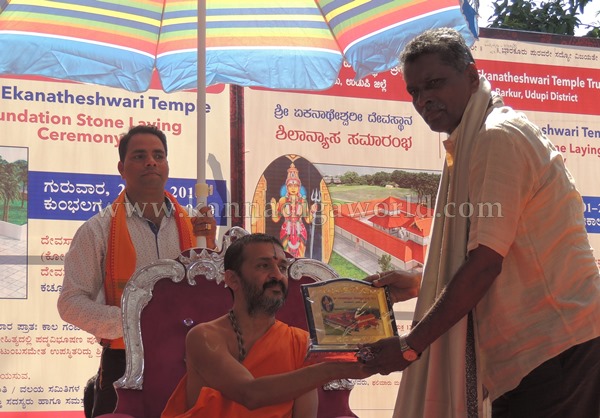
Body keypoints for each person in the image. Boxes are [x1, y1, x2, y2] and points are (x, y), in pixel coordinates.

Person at [361, 28, 600, 418]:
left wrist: (409, 347)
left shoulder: (496, 137)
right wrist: (423, 285)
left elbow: (487, 261)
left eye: (435, 83)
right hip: (546, 351)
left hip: (555, 348)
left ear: (472, 77)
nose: (424, 100)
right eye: (414, 92)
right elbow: (508, 247)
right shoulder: (476, 137)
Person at [57, 125, 217, 418]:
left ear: (167, 164)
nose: (151, 162)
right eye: (140, 156)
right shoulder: (98, 230)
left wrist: (213, 248)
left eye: (158, 155)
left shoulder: (198, 225)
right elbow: (70, 302)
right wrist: (133, 324)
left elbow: (215, 292)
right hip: (124, 365)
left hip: (191, 363)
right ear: (122, 168)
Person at [161, 233, 370, 418]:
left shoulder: (299, 342)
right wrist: (334, 369)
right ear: (233, 279)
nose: (277, 276)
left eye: (282, 267)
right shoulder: (204, 337)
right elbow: (250, 394)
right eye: (263, 266)